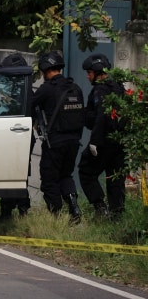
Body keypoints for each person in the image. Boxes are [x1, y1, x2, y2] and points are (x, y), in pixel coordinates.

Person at [32, 51, 84, 225]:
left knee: (49, 179)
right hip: (74, 142)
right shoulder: (75, 88)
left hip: (54, 143)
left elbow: (29, 104)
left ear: (46, 70)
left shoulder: (47, 89)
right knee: (66, 176)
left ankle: (57, 217)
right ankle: (74, 207)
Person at [78, 53, 126, 220]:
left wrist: (94, 142)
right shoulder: (119, 87)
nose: (87, 76)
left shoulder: (100, 90)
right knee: (115, 178)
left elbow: (102, 116)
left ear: (97, 73)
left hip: (104, 142)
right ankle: (117, 216)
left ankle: (100, 207)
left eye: (89, 73)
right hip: (119, 142)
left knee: (85, 170)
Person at [0, 53, 32, 220]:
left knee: (14, 174)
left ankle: (12, 211)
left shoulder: (22, 90)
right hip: (20, 137)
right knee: (16, 174)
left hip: (18, 137)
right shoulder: (23, 89)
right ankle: (16, 210)